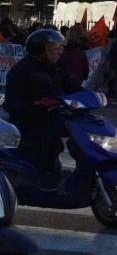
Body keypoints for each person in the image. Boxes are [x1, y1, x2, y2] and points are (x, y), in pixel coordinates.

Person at [4, 29, 81, 179]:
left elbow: (72, 86)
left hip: (52, 119)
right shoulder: (21, 70)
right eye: (55, 48)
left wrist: (93, 96)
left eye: (61, 48)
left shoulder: (56, 67)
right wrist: (38, 104)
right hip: (29, 124)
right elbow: (12, 104)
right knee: (45, 147)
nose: (59, 52)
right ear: (41, 50)